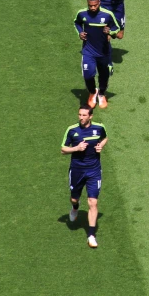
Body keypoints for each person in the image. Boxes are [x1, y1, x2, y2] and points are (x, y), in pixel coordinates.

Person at [60, 105, 108, 248]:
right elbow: (63, 149)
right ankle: (75, 207)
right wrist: (76, 148)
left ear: (90, 116)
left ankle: (91, 235)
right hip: (77, 170)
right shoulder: (72, 130)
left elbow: (105, 138)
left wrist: (101, 146)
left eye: (84, 115)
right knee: (74, 198)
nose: (81, 117)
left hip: (94, 170)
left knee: (93, 202)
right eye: (79, 115)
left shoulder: (99, 128)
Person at [74, 0, 121, 109]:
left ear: (99, 2)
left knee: (104, 75)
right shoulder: (82, 14)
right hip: (88, 51)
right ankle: (92, 92)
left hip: (103, 52)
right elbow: (77, 22)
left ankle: (101, 94)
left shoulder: (107, 15)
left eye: (95, 5)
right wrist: (80, 32)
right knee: (88, 74)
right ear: (87, 3)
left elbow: (117, 28)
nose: (93, 8)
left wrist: (110, 31)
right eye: (90, 6)